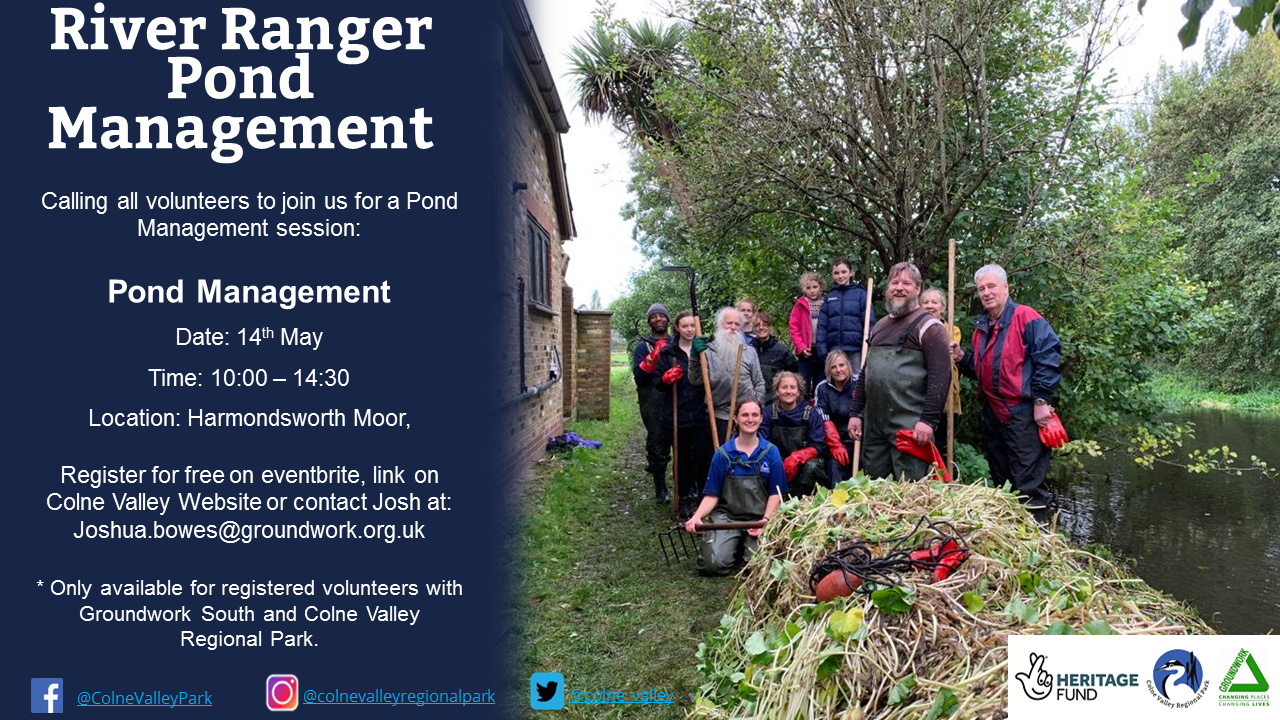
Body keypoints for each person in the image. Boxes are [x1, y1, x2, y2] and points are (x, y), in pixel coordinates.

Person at [950, 264, 1062, 523]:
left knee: (1028, 482)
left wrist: (1042, 400)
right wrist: (962, 358)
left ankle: (1038, 538)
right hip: (993, 414)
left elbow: (1048, 357)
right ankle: (1011, 534)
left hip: (1022, 413)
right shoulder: (982, 328)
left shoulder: (1026, 317)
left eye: (991, 286)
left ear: (1006, 288)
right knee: (1002, 481)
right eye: (981, 289)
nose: (987, 293)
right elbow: (983, 371)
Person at [847, 263, 952, 481]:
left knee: (911, 492)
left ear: (918, 289)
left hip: (910, 427)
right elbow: (867, 372)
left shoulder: (929, 327)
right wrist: (856, 414)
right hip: (875, 426)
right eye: (894, 282)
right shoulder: (880, 326)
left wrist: (928, 421)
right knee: (875, 488)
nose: (899, 287)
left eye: (906, 283)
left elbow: (941, 377)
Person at [684, 400, 786, 576]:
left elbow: (775, 494)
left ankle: (743, 545)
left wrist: (765, 521)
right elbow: (712, 494)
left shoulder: (771, 452)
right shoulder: (723, 454)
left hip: (759, 518)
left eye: (755, 415)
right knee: (712, 565)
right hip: (728, 518)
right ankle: (731, 542)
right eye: (745, 415)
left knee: (757, 567)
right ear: (736, 419)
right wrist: (697, 516)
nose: (750, 419)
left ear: (761, 418)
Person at [653, 310, 713, 505]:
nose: (689, 329)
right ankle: (683, 497)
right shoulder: (668, 352)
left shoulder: (704, 350)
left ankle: (702, 497)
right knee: (681, 458)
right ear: (677, 329)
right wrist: (665, 378)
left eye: (692, 326)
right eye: (685, 326)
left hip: (700, 413)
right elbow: (657, 383)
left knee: (702, 456)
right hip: (676, 414)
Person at [689, 307, 767, 443]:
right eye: (729, 323)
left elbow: (759, 382)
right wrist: (694, 357)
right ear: (720, 325)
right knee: (720, 458)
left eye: (737, 324)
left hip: (745, 418)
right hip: (718, 417)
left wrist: (756, 408)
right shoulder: (708, 352)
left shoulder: (749, 352)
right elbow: (695, 380)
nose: (733, 327)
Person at [759, 372, 828, 495]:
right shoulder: (768, 413)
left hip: (802, 466)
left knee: (813, 467)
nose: (788, 391)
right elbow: (762, 442)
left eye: (792, 387)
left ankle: (802, 501)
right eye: (784, 387)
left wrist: (796, 458)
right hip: (776, 462)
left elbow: (818, 446)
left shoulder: (811, 413)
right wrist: (779, 463)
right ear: (777, 391)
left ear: (798, 392)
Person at [632, 303, 672, 502]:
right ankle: (661, 490)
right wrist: (652, 358)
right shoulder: (643, 346)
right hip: (653, 403)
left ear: (668, 320)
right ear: (649, 321)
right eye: (654, 316)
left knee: (684, 444)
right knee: (657, 443)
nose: (658, 319)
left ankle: (688, 488)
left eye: (662, 316)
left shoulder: (676, 342)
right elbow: (639, 378)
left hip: (676, 400)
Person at [921, 287, 962, 473]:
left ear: (943, 308)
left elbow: (948, 353)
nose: (930, 306)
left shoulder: (952, 330)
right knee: (923, 447)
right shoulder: (916, 329)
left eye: (934, 302)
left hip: (946, 400)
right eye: (925, 302)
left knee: (944, 447)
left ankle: (945, 482)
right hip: (922, 397)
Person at [816, 258, 874, 375]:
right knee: (835, 380)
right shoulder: (829, 297)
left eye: (844, 272)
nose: (840, 276)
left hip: (855, 349)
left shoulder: (861, 295)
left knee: (857, 381)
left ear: (851, 273)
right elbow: (822, 325)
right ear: (832, 275)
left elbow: (869, 322)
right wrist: (822, 348)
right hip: (834, 349)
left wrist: (869, 347)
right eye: (836, 273)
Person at [813, 350, 855, 483]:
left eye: (841, 365)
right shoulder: (822, 388)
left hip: (859, 440)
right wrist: (835, 444)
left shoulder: (859, 384)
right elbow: (822, 417)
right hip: (835, 442)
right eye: (833, 367)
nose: (838, 370)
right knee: (834, 468)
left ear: (848, 365)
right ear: (828, 370)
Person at [788, 271, 826, 399]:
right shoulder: (800, 305)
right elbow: (794, 328)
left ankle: (817, 410)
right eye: (808, 288)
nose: (812, 291)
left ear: (821, 286)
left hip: (821, 350)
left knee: (820, 382)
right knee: (803, 382)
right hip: (805, 351)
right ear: (804, 289)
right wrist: (801, 347)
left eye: (815, 287)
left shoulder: (826, 304)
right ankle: (801, 409)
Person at [750, 311, 799, 403]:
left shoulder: (783, 351)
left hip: (778, 401)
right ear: (753, 328)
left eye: (765, 325)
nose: (761, 328)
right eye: (757, 325)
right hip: (754, 400)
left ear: (770, 327)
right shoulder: (748, 351)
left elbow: (795, 376)